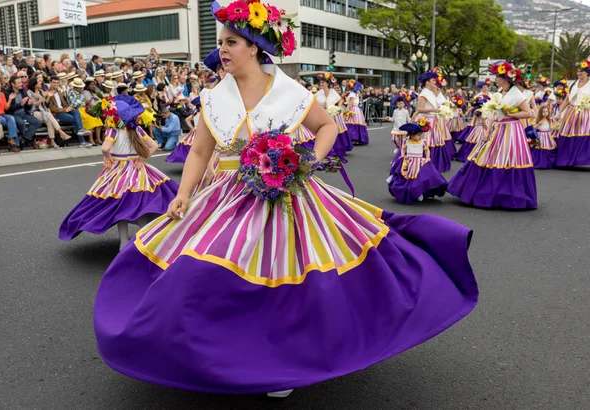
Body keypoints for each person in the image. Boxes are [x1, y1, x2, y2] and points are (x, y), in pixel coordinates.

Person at [94, 0, 478, 398]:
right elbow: (199, 151)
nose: (223, 49)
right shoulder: (213, 97)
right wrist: (185, 194)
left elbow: (327, 125)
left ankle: (284, 360)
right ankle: (228, 352)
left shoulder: (287, 90)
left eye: (233, 42)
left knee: (289, 275)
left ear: (255, 47)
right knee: (210, 270)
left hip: (287, 192)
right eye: (221, 42)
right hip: (227, 194)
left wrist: (309, 160)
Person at [59, 94, 178, 249]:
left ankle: (123, 241)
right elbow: (154, 146)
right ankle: (145, 239)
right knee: (139, 205)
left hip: (118, 171)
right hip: (137, 170)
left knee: (119, 208)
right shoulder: (138, 130)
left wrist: (107, 157)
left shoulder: (113, 132)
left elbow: (105, 148)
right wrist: (141, 159)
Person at [448, 61, 537, 209]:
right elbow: (495, 113)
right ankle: (484, 192)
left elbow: (529, 113)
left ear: (505, 78)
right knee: (487, 157)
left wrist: (510, 113)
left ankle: (504, 195)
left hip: (511, 130)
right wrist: (488, 129)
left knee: (506, 159)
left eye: (497, 76)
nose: (495, 79)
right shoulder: (501, 92)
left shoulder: (516, 93)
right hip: (498, 128)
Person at [387, 120, 447, 204]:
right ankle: (410, 191)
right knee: (407, 176)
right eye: (418, 135)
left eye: (421, 135)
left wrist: (427, 158)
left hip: (419, 161)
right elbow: (403, 149)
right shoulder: (407, 141)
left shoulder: (423, 142)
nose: (420, 137)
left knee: (420, 177)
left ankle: (419, 191)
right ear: (412, 134)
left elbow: (427, 150)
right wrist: (403, 155)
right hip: (409, 161)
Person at [413, 70, 451, 172]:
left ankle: (434, 164)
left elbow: (441, 103)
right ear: (427, 82)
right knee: (427, 141)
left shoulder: (431, 92)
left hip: (434, 120)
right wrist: (433, 110)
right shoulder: (424, 93)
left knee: (435, 140)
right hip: (426, 120)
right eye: (433, 80)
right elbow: (419, 109)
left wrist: (437, 92)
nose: (435, 82)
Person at [555, 57, 590, 167]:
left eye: (582, 71)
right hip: (571, 112)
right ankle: (566, 160)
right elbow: (567, 100)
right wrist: (559, 112)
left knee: (582, 134)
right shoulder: (573, 84)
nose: (579, 73)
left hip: (585, 114)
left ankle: (580, 161)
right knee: (567, 133)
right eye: (578, 71)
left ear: (587, 73)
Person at [26, 75, 72, 148]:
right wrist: (43, 96)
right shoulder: (29, 92)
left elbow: (45, 103)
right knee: (49, 115)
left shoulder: (41, 91)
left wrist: (48, 97)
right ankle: (61, 132)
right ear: (34, 84)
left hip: (43, 111)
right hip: (34, 112)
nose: (40, 83)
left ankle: (53, 141)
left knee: (49, 121)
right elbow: (35, 105)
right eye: (38, 82)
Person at [47, 75, 92, 146]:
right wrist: (65, 110)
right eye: (54, 83)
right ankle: (82, 139)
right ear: (50, 83)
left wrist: (69, 107)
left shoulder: (59, 92)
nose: (56, 84)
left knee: (76, 111)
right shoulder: (48, 93)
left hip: (64, 110)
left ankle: (81, 132)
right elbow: (52, 108)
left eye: (57, 83)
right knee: (74, 119)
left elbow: (64, 103)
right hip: (57, 113)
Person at [315, 72, 352, 156]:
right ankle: (326, 149)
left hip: (334, 115)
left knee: (335, 131)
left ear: (328, 84)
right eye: (321, 83)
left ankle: (337, 148)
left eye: (323, 83)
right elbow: (315, 103)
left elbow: (340, 101)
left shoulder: (333, 93)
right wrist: (321, 106)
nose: (322, 84)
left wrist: (337, 108)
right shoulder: (319, 93)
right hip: (323, 115)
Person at [4, 75, 41, 148]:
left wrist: (29, 104)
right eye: (18, 83)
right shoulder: (7, 93)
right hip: (14, 114)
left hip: (23, 113)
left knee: (37, 122)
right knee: (21, 123)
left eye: (21, 82)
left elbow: (26, 107)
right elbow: (8, 109)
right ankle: (25, 140)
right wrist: (20, 104)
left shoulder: (23, 92)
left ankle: (24, 139)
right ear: (12, 84)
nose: (21, 84)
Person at [165, 96, 200, 163]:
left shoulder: (195, 113)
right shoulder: (200, 114)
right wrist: (193, 128)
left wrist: (193, 128)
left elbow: (187, 120)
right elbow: (187, 119)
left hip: (195, 130)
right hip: (199, 131)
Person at [68, 78, 102, 146]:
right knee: (90, 120)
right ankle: (90, 139)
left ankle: (98, 139)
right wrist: (83, 103)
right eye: (80, 88)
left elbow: (84, 102)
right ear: (76, 87)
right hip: (77, 110)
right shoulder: (71, 93)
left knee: (97, 119)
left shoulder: (80, 94)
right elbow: (73, 104)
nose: (81, 89)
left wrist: (88, 100)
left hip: (84, 109)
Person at [454, 97, 488, 163]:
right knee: (479, 142)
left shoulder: (477, 112)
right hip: (482, 129)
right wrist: (487, 128)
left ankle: (464, 155)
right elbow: (484, 123)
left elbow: (474, 122)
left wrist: (477, 126)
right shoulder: (484, 112)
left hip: (476, 128)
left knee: (472, 140)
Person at [0, 78, 20, 152]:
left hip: (2, 114)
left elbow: (5, 107)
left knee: (11, 118)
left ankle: (11, 139)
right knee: (10, 123)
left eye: (0, 83)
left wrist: (9, 99)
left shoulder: (2, 94)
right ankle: (13, 142)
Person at [531, 104, 557, 169]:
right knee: (540, 149)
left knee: (547, 149)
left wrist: (556, 125)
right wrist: (538, 124)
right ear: (540, 113)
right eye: (543, 112)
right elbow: (534, 128)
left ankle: (547, 163)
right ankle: (539, 163)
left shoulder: (549, 120)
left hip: (547, 136)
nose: (545, 113)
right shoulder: (537, 120)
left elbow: (551, 128)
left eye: (546, 111)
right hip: (540, 135)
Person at [344, 79, 369, 145]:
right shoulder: (355, 94)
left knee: (351, 121)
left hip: (353, 108)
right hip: (357, 109)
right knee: (357, 122)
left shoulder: (352, 94)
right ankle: (359, 138)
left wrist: (347, 108)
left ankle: (353, 137)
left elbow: (351, 102)